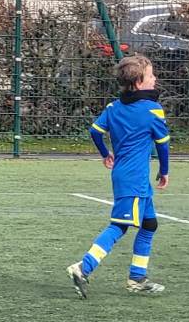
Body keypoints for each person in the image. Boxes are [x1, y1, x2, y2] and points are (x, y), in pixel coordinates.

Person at [67, 54, 170, 298]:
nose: (155, 78)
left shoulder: (113, 107)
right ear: (138, 83)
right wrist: (164, 171)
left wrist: (106, 154)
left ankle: (137, 278)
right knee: (120, 226)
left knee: (149, 224)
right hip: (134, 179)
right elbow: (163, 144)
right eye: (150, 75)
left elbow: (95, 131)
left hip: (129, 177)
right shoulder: (153, 110)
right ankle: (83, 267)